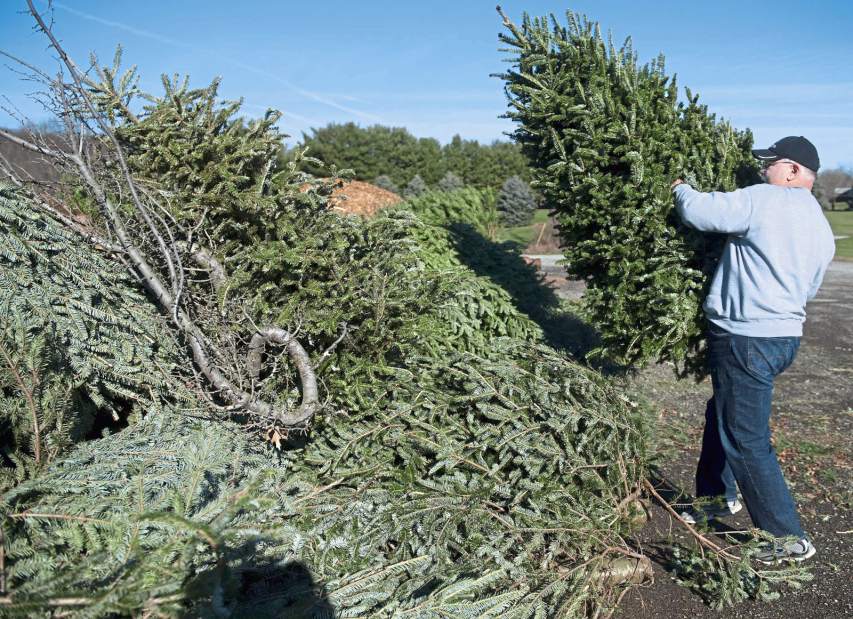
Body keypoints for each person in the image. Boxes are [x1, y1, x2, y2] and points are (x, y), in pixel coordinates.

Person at [670, 136, 835, 563]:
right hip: (784, 338)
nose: (763, 171)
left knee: (747, 438)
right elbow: (811, 286)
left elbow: (699, 212)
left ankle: (786, 538)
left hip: (746, 338)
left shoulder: (766, 199)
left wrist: (678, 188)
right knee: (722, 414)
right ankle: (715, 499)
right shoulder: (819, 222)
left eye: (771, 164)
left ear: (795, 171)